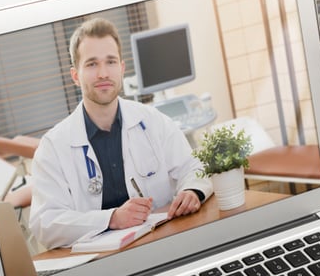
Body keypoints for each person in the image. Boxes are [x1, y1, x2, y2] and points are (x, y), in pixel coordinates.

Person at [29, 18, 213, 250]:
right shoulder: (53, 147)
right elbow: (45, 223)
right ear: (75, 76)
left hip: (161, 245)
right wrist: (111, 218)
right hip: (97, 264)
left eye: (111, 62)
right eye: (92, 64)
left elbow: (194, 167)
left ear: (122, 69)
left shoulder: (152, 121)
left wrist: (191, 190)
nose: (103, 73)